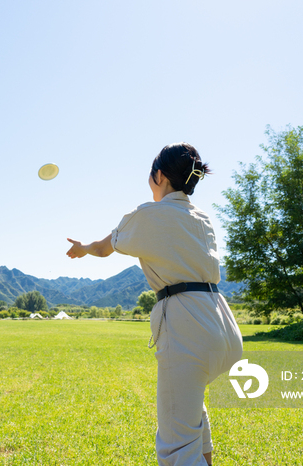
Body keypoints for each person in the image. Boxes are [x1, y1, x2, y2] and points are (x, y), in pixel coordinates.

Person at [66, 142, 243, 466]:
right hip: (223, 326)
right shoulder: (202, 218)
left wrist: (83, 248)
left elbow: (105, 248)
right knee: (191, 416)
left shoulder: (148, 215)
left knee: (177, 449)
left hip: (188, 328)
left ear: (159, 176)